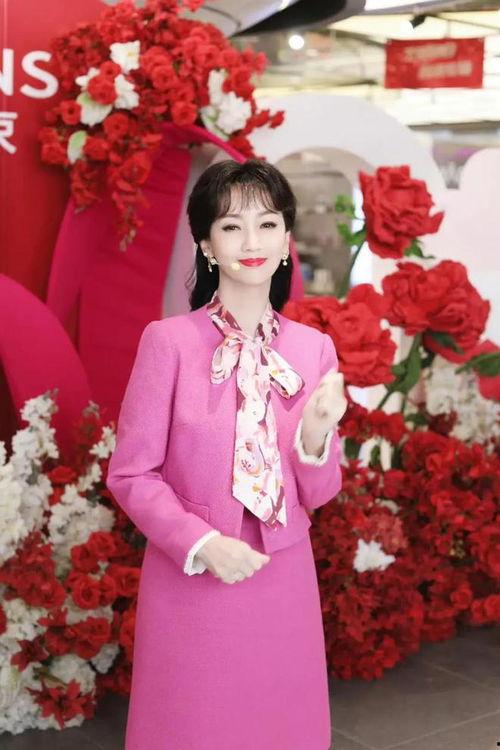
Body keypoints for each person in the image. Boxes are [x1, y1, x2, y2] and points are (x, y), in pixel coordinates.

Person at [106, 158, 347, 750]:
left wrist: (316, 436)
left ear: (286, 241)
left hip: (282, 576)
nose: (252, 242)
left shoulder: (314, 349)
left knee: (281, 729)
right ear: (207, 244)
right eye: (232, 227)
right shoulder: (168, 343)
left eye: (267, 225)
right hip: (195, 579)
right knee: (193, 728)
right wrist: (202, 543)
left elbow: (320, 494)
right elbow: (132, 472)